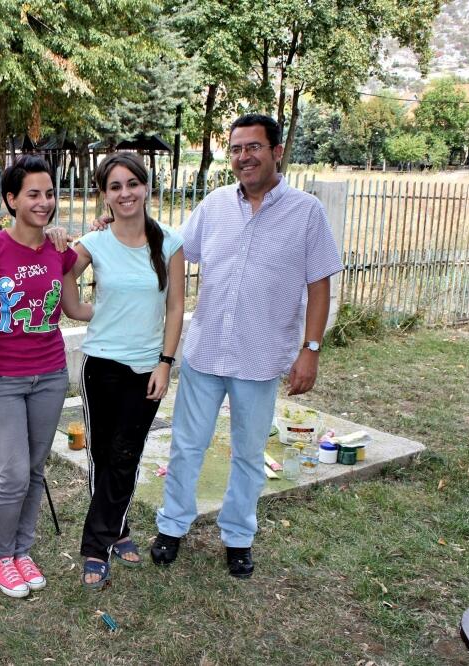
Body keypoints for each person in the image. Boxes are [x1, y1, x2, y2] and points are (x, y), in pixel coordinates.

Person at [150, 114, 343, 578]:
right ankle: (172, 526)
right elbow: (175, 248)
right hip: (206, 349)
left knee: (249, 454)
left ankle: (238, 537)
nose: (243, 157)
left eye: (253, 147)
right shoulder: (215, 204)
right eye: (236, 149)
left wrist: (310, 349)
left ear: (277, 152)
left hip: (260, 355)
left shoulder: (306, 212)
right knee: (186, 446)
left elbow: (320, 285)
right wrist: (121, 222)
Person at [0, 154, 93, 598]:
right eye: (33, 194)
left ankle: (22, 550)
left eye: (49, 194)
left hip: (49, 374)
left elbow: (74, 304)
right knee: (14, 474)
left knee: (35, 469)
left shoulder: (59, 251)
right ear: (11, 199)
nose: (44, 202)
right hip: (0, 378)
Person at [71, 152, 185, 590]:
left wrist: (166, 362)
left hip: (147, 368)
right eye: (115, 186)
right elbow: (61, 273)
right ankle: (114, 530)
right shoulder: (95, 243)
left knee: (126, 455)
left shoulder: (169, 243)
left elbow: (175, 307)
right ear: (105, 195)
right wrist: (78, 308)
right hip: (101, 366)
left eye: (132, 184)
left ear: (146, 188)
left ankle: (96, 547)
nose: (125, 193)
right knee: (105, 455)